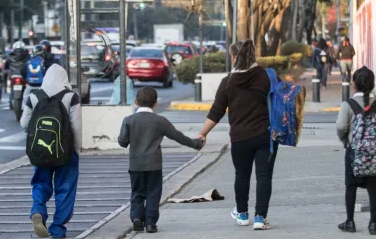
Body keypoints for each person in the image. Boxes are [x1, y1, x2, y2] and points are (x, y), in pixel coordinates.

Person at [198, 39, 278, 231]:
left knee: (241, 175)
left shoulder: (228, 82)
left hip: (240, 138)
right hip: (265, 136)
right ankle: (260, 218)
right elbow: (279, 100)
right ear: (253, 56)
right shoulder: (266, 77)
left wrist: (202, 134)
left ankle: (242, 214)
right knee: (264, 176)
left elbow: (216, 112)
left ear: (234, 57)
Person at [118, 87, 204, 234]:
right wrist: (196, 143)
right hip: (154, 165)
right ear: (155, 103)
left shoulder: (129, 120)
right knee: (153, 193)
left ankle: (137, 219)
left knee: (137, 192)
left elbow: (122, 142)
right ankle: (151, 223)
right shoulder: (160, 121)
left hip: (136, 165)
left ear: (136, 102)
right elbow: (177, 136)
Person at [20, 64, 81, 239]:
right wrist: (76, 151)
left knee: (40, 182)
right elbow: (76, 127)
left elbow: (24, 124)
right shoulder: (71, 97)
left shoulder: (34, 96)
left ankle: (38, 210)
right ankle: (58, 228)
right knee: (65, 188)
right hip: (65, 151)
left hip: (40, 150)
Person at [336, 66, 376, 235]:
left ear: (354, 85)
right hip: (375, 155)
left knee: (351, 187)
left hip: (354, 152)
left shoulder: (348, 104)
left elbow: (340, 127)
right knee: (373, 188)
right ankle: (373, 224)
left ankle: (350, 222)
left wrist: (346, 140)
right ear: (372, 84)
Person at [5, 41, 30, 109]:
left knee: (11, 88)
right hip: (23, 76)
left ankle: (10, 102)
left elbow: (6, 67)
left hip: (13, 76)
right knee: (28, 88)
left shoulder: (10, 56)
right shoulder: (27, 55)